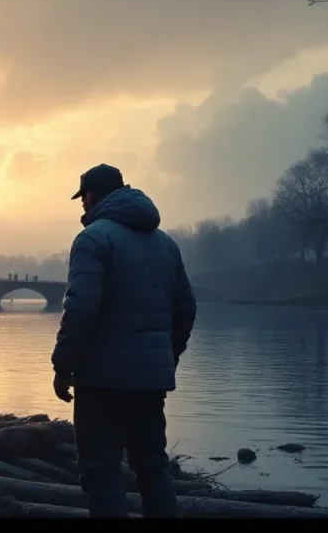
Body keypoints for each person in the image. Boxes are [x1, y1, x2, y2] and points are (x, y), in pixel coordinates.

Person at [51, 163, 197, 519]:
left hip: (102, 381)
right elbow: (186, 308)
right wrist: (167, 356)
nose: (82, 205)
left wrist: (63, 364)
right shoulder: (166, 244)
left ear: (93, 195)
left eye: (83, 198)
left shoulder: (93, 238)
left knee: (102, 472)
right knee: (153, 467)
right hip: (150, 380)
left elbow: (81, 308)